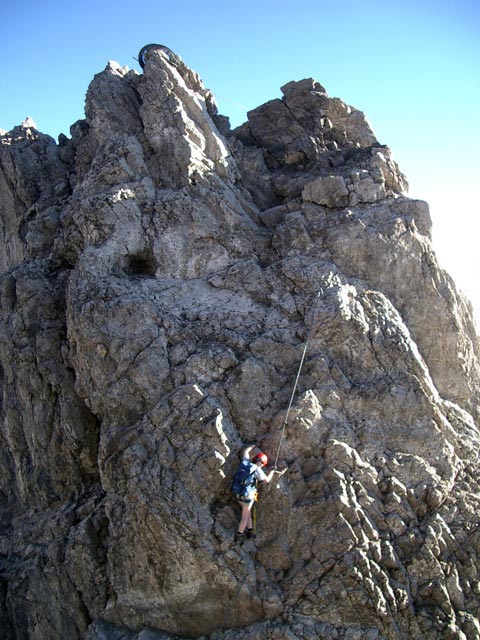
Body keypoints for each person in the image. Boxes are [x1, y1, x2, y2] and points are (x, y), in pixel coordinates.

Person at [234, 444, 286, 541]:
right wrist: (272, 471)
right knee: (245, 515)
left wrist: (252, 446)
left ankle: (250, 531)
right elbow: (266, 481)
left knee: (247, 512)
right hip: (248, 495)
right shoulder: (257, 470)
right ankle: (239, 534)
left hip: (238, 492)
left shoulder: (246, 462)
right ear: (262, 463)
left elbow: (245, 451)